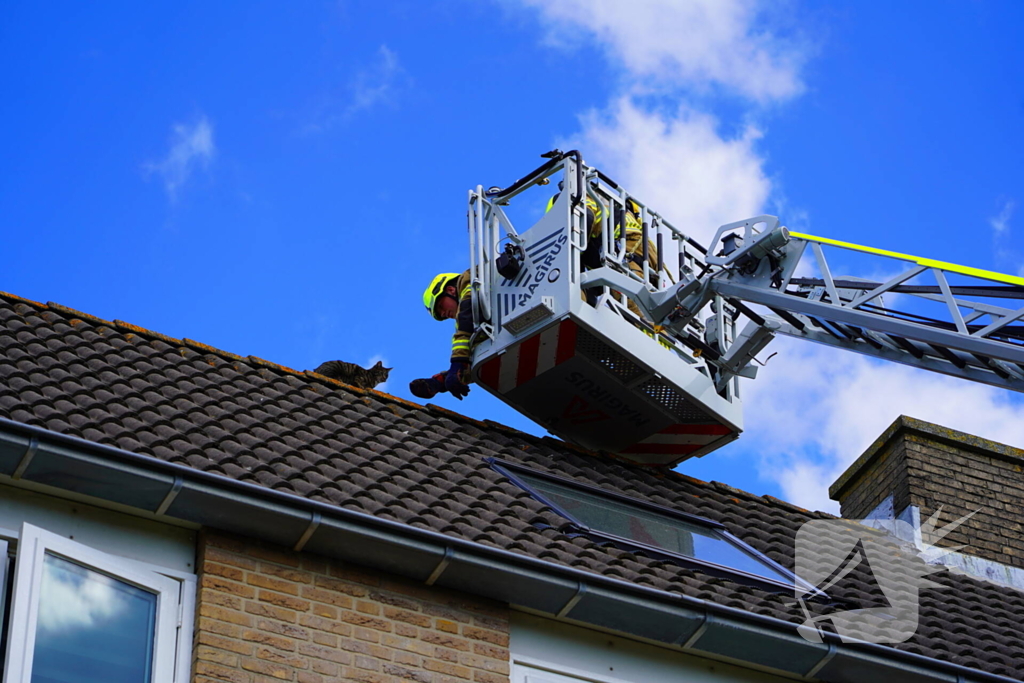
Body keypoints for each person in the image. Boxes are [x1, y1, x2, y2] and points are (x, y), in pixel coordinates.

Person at [409, 271, 474, 400]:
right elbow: (478, 356)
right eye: (440, 313)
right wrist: (443, 381)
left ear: (450, 290)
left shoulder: (472, 280)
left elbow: (468, 309)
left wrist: (457, 365)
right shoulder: (470, 323)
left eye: (441, 307)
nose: (443, 314)